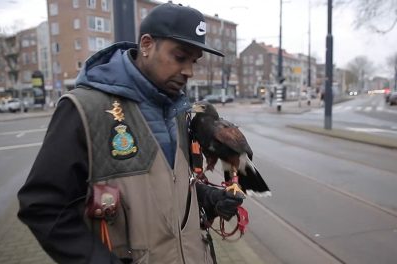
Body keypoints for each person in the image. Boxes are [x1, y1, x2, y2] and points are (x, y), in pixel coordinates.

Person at [17, 3, 244, 264]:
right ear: (146, 45)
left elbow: (163, 186)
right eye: (180, 57)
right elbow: (43, 207)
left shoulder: (180, 111)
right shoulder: (83, 108)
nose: (189, 71)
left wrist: (208, 198)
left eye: (193, 61)